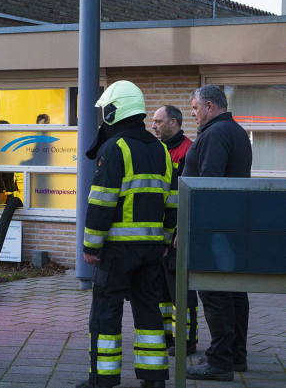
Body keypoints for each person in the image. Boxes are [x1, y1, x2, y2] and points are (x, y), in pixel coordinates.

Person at [78, 81, 177, 388]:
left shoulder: (115, 148)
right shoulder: (161, 149)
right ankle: (154, 380)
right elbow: (171, 203)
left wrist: (90, 246)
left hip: (117, 252)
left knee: (106, 315)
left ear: (112, 111)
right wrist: (163, 240)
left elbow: (102, 202)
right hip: (150, 251)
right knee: (149, 313)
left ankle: (103, 380)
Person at [183, 85, 253, 381]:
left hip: (213, 227)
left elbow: (207, 185)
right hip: (231, 224)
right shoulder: (234, 131)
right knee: (233, 289)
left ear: (210, 106)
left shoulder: (214, 134)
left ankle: (220, 361)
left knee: (213, 289)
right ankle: (235, 356)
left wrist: (193, 226)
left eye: (196, 108)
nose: (194, 114)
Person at [151, 105, 198, 357]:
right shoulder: (157, 151)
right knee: (161, 291)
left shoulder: (188, 150)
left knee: (181, 289)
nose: (154, 126)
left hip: (178, 232)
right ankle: (166, 337)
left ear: (174, 122)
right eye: (153, 121)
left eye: (158, 121)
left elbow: (190, 196)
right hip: (158, 232)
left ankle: (187, 340)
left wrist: (181, 230)